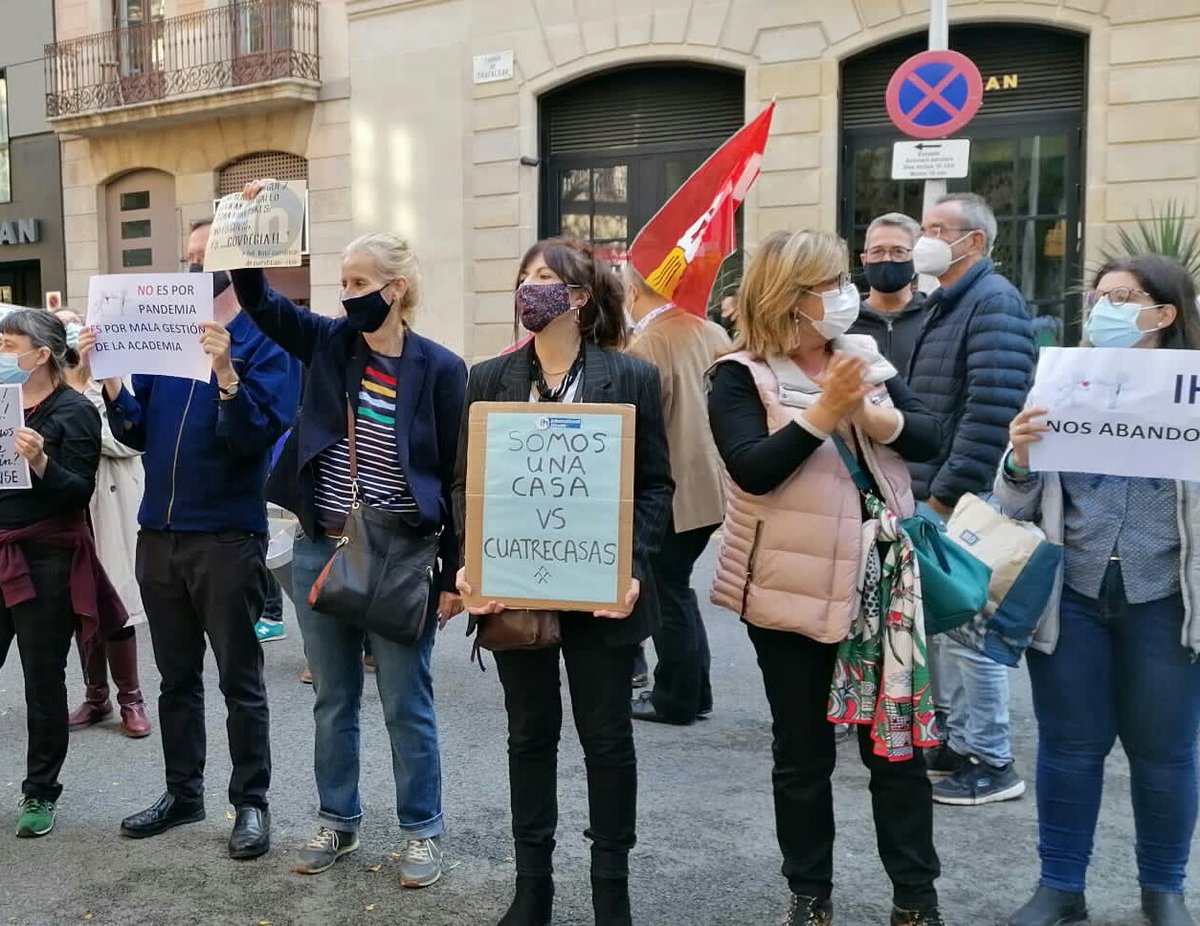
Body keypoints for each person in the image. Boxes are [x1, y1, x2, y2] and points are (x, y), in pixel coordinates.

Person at [228, 189, 467, 888]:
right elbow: (262, 303)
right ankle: (338, 821)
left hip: (401, 555)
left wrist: (452, 574)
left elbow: (456, 477)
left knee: (405, 701)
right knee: (333, 699)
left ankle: (421, 831)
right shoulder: (331, 344)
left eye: (359, 283)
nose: (346, 295)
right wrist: (248, 232)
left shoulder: (441, 369)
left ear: (396, 289)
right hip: (321, 548)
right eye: (342, 283)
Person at [708, 230, 945, 926]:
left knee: (896, 751)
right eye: (831, 282)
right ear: (790, 296)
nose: (847, 293)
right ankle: (809, 894)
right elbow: (752, 469)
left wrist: (874, 414)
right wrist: (822, 413)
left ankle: (915, 900)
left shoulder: (860, 354)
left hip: (881, 584)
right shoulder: (738, 374)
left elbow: (930, 435)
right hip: (788, 591)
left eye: (845, 279)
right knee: (803, 756)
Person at [453, 237, 673, 926]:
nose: (531, 289)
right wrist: (470, 562)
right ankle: (533, 886)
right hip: (514, 586)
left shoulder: (631, 377)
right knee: (529, 735)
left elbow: (656, 485)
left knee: (606, 740)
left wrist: (632, 568)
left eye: (545, 278)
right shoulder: (488, 378)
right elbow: (465, 484)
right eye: (524, 278)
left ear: (580, 296)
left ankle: (612, 890)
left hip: (601, 595)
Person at [81, 217, 298, 860]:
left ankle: (251, 803)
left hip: (226, 535)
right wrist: (112, 380)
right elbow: (137, 431)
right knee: (176, 678)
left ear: (237, 263)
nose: (196, 265)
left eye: (207, 255)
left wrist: (226, 371)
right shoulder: (170, 334)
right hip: (160, 533)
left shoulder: (266, 338)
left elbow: (255, 437)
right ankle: (184, 793)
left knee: (240, 679)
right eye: (190, 256)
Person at [1000, 254, 1200, 926]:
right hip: (1073, 595)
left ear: (1164, 313)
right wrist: (1019, 458)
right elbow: (1015, 503)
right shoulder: (1063, 383)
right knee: (1070, 746)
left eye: (1121, 298)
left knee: (1165, 751)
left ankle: (1163, 890)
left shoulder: (1194, 389)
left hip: (1167, 599)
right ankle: (1060, 887)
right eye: (1098, 298)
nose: (1102, 310)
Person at [906, 192, 1036, 806]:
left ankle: (992, 760)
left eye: (938, 229)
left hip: (963, 495)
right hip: (940, 487)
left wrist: (945, 495)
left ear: (974, 241)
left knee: (971, 631)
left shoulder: (992, 302)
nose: (924, 239)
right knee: (946, 628)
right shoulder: (949, 300)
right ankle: (960, 741)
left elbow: (991, 410)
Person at [0, 310, 121, 838]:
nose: (2, 353)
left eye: (9, 345)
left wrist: (42, 463)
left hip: (46, 556)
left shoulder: (74, 411)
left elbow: (78, 492)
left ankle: (40, 791)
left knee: (42, 677)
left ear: (41, 354)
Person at [622, 263, 729, 725]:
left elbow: (637, 427)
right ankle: (694, 690)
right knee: (676, 587)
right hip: (711, 484)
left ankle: (677, 696)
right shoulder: (709, 330)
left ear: (633, 291)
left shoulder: (648, 344)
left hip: (673, 489)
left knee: (666, 591)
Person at [54, 309, 150, 739]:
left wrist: (87, 403)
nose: (76, 336)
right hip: (69, 508)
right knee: (80, 604)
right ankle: (96, 696)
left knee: (114, 602)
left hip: (110, 504)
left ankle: (131, 699)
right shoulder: (51, 386)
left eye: (78, 325)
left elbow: (128, 440)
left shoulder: (116, 379)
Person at [849, 212, 926, 373]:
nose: (886, 259)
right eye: (877, 251)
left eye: (898, 251)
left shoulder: (934, 319)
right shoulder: (846, 322)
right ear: (864, 259)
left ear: (916, 258)